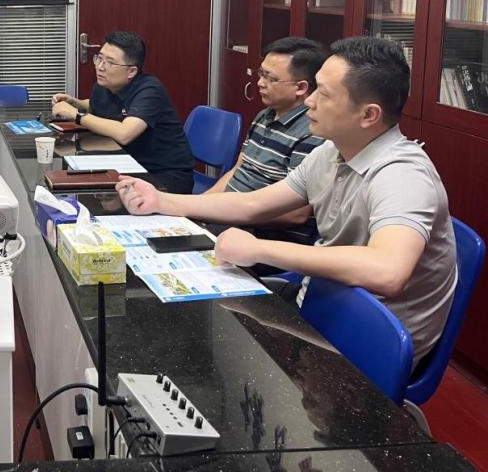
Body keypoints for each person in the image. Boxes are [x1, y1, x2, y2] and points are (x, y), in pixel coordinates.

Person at [117, 36, 456, 366]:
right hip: (323, 300)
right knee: (189, 315)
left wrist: (259, 249)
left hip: (368, 339)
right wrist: (162, 201)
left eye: (324, 94)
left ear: (368, 115)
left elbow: (388, 270)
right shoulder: (331, 152)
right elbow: (253, 204)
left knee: (202, 342)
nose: (309, 102)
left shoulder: (402, 174)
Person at [206, 37, 325, 249]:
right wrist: (201, 206)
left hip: (262, 238)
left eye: (270, 78)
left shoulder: (312, 133)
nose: (260, 83)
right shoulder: (265, 115)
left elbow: (295, 214)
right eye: (261, 73)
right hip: (229, 218)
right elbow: (237, 170)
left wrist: (223, 212)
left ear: (301, 87)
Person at [52, 31, 194, 194]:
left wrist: (77, 115)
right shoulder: (105, 85)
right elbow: (101, 106)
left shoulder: (150, 90)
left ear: (131, 71)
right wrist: (75, 102)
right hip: (128, 166)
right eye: (99, 58)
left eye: (110, 62)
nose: (100, 67)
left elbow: (125, 133)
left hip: (163, 175)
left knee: (103, 200)